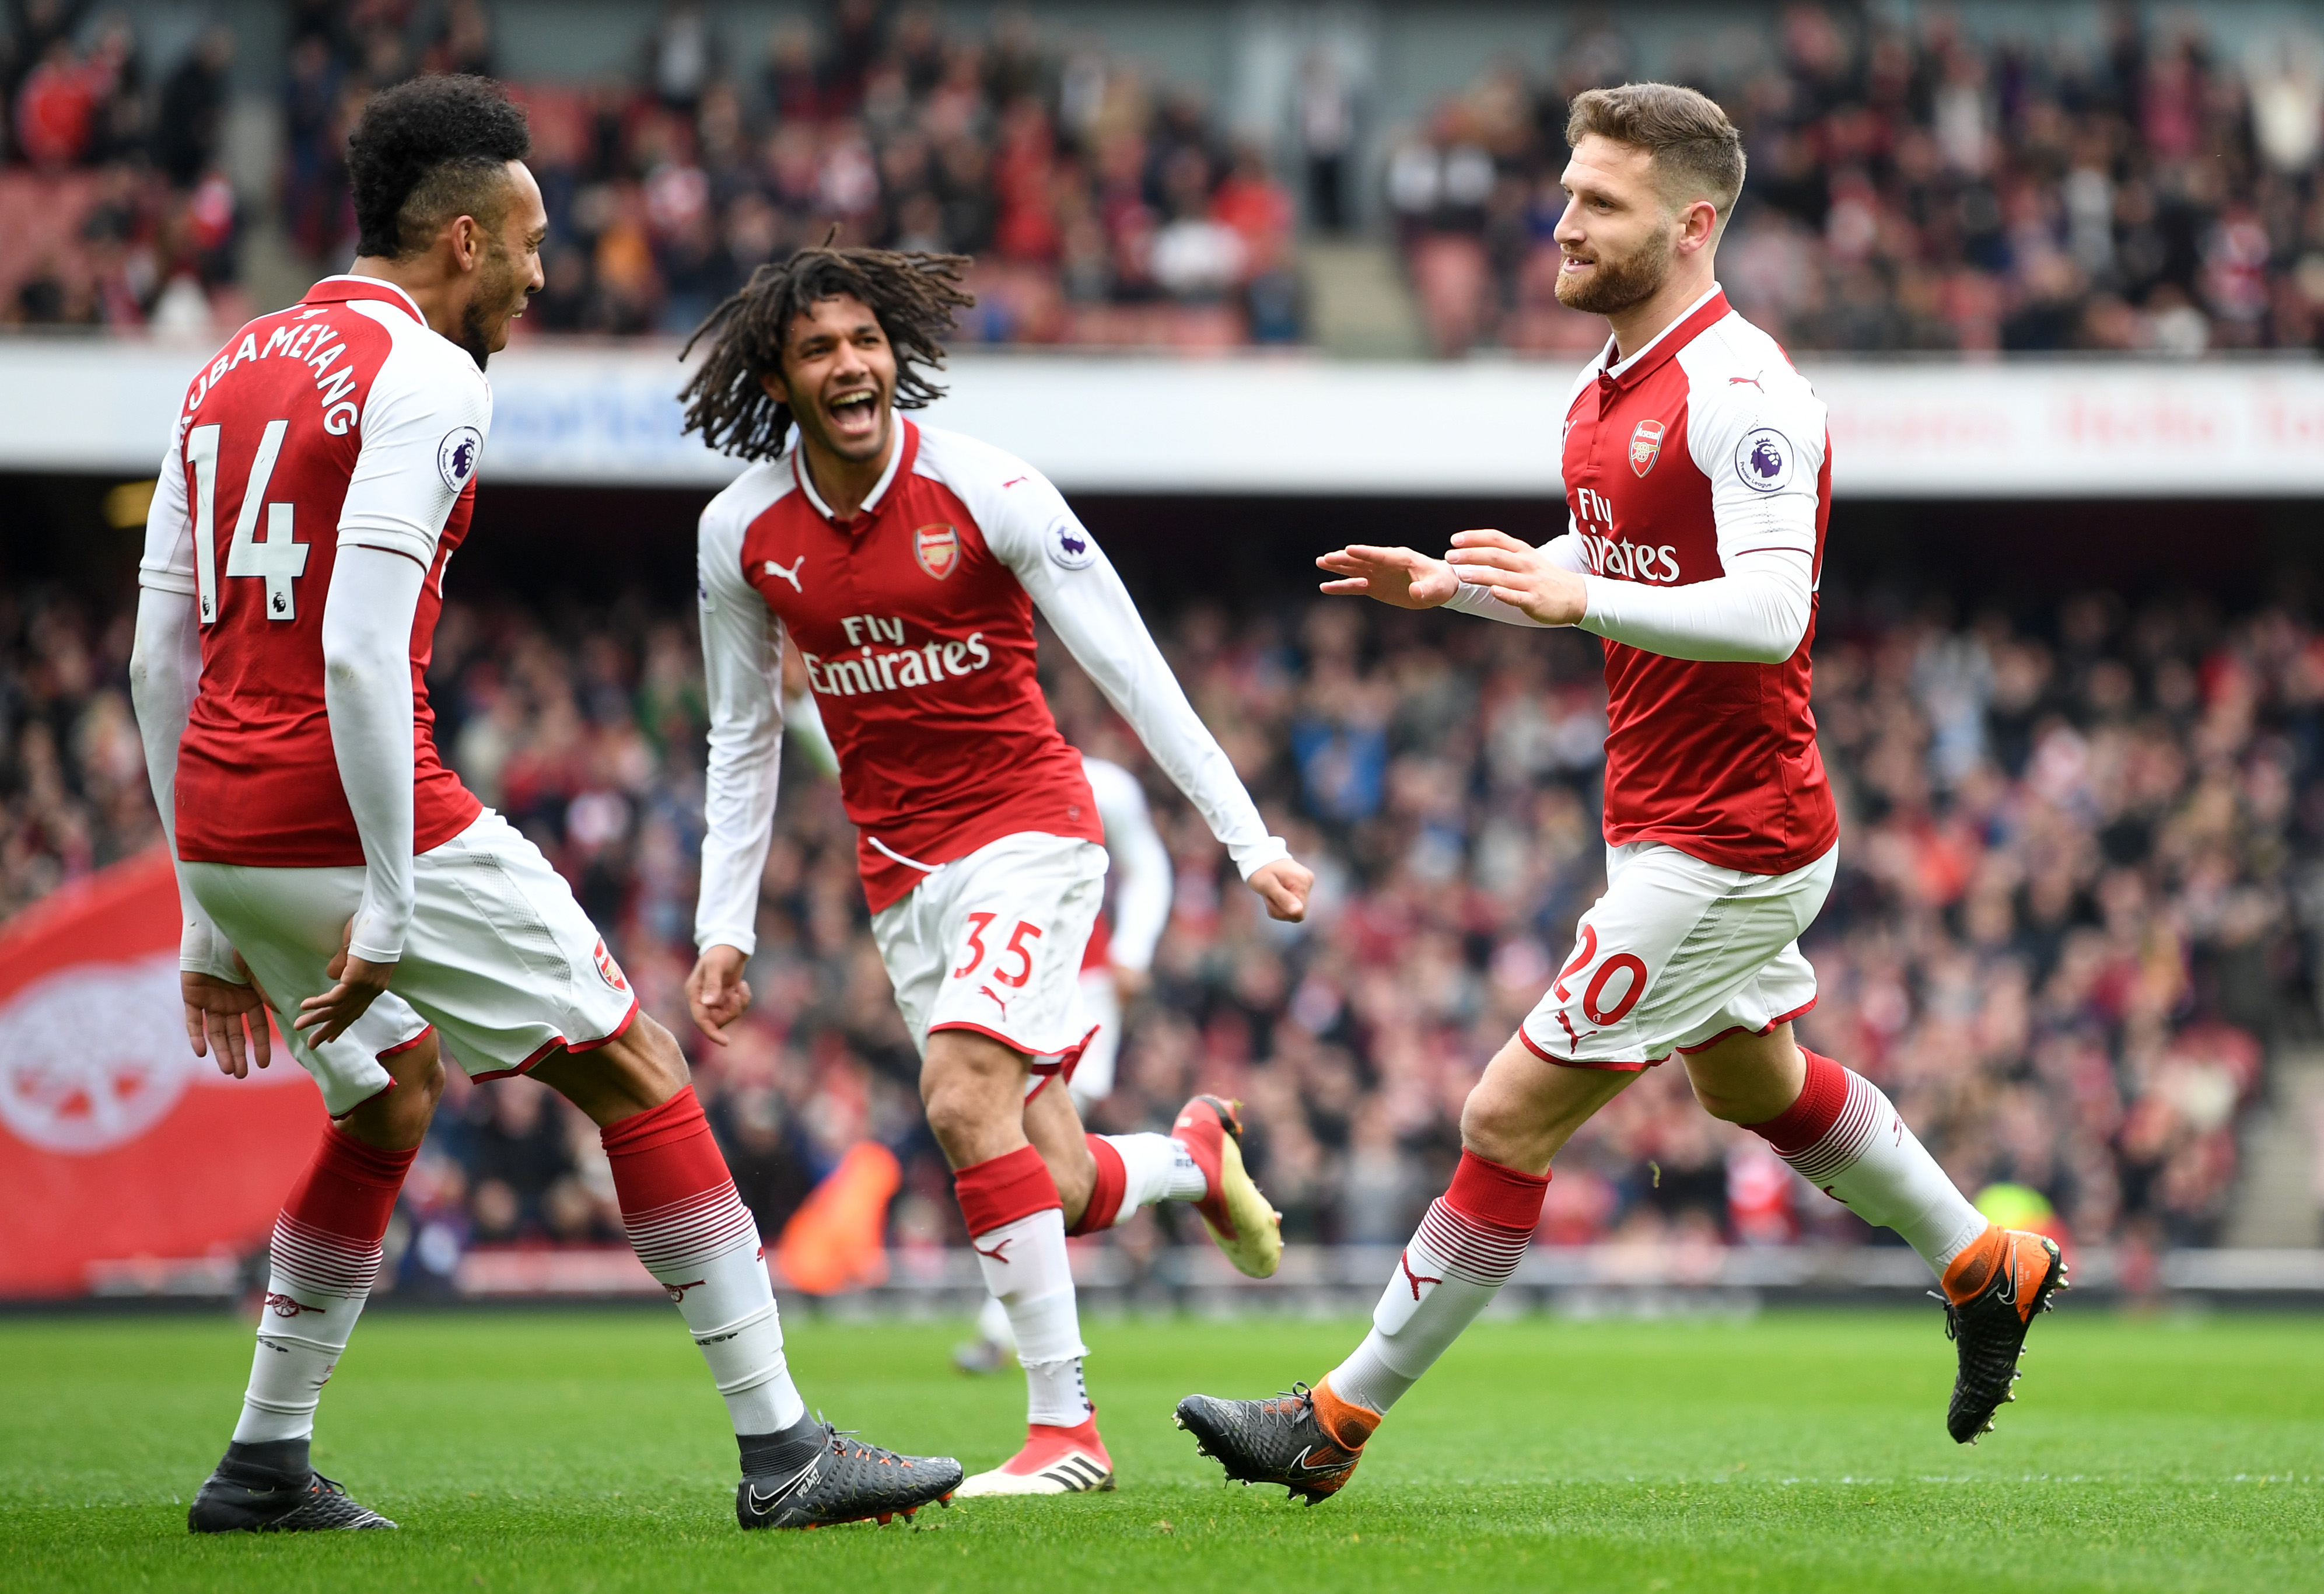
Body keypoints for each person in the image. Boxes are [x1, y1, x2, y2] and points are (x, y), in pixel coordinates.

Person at [1174, 82, 2066, 1504]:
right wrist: (1455, 587)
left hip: (1731, 837)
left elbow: (1770, 610)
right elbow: (1604, 570)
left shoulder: (1744, 394)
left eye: (1600, 202)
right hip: (1665, 819)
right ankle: (1984, 1261)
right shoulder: (1603, 389)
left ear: (1693, 224)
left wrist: (1576, 597)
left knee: (1504, 1119)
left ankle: (1332, 1421)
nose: (1563, 223)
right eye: (1567, 193)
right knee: (1754, 1081)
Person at [128, 74, 959, 1536]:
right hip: (352, 810)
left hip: (226, 818)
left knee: (387, 1094)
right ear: (463, 238)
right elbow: (357, 651)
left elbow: (155, 657)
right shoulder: (429, 376)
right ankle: (785, 1450)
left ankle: (264, 1462)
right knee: (636, 1064)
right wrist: (393, 897)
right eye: (527, 241)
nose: (540, 271)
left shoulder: (227, 364)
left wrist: (205, 904)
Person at [681, 242, 1314, 1497]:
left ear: (895, 357)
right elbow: (744, 733)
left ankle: (1064, 1431)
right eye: (819, 349)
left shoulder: (987, 487)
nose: (850, 365)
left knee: (962, 1097)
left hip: (1030, 831)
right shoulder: (740, 533)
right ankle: (1191, 1157)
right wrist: (723, 925)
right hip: (899, 873)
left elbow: (1130, 667)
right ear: (777, 379)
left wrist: (1249, 841)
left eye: (866, 341)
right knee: (1056, 1176)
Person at [953, 749, 1175, 1375]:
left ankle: (1004, 1328)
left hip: (1084, 989)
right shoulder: (981, 769)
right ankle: (1189, 1165)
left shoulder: (1104, 784)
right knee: (1011, 1146)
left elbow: (1148, 865)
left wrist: (1133, 948)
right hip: (999, 980)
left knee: (1038, 1152)